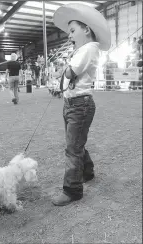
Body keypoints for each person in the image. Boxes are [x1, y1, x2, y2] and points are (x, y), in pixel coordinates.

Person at [51, 3, 111, 206]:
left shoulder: (88, 48)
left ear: (87, 29)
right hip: (74, 102)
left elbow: (69, 73)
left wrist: (65, 67)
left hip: (79, 104)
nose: (69, 35)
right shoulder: (84, 49)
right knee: (75, 144)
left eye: (73, 30)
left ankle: (73, 190)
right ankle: (87, 171)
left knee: (72, 147)